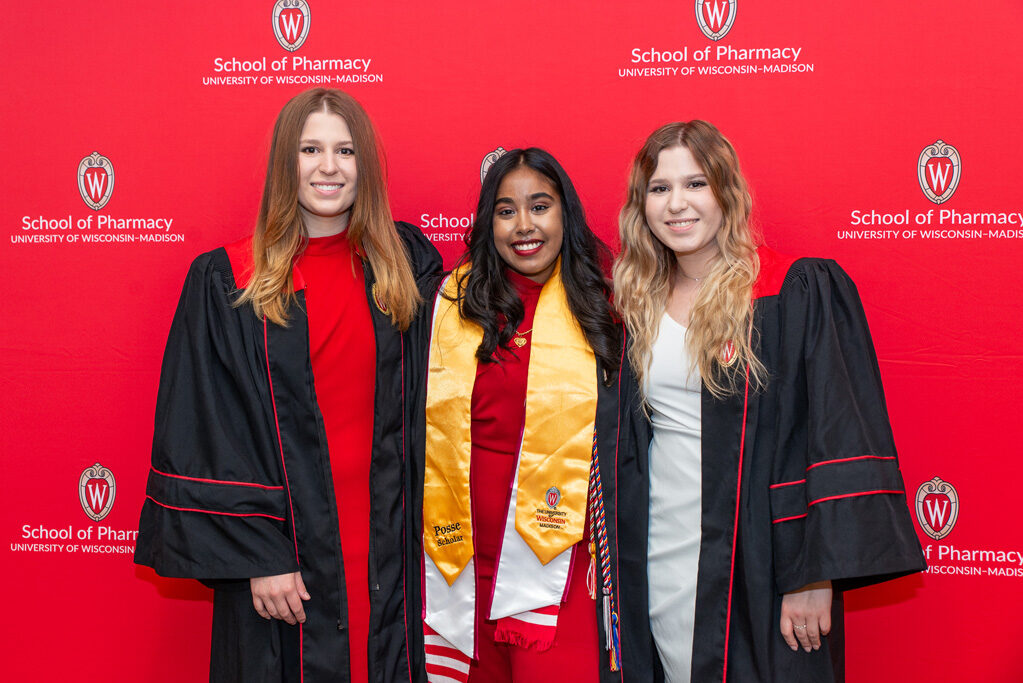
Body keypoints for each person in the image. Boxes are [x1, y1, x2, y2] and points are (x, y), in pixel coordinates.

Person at [135, 88, 441, 683]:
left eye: (345, 150)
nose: (329, 166)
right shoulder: (229, 281)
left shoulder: (405, 266)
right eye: (310, 149)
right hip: (285, 561)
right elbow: (207, 427)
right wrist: (258, 553)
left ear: (366, 166)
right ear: (285, 163)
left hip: (391, 547)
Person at [611, 121, 926, 682]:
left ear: (727, 193)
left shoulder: (790, 293)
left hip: (761, 559)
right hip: (660, 550)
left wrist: (811, 575)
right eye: (659, 189)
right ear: (642, 206)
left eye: (696, 184)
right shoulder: (633, 306)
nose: (677, 204)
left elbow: (830, 432)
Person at [415, 149, 656, 683]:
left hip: (559, 558)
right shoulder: (451, 304)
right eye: (505, 211)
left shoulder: (608, 305)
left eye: (539, 206)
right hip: (461, 557)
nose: (524, 226)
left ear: (565, 214)